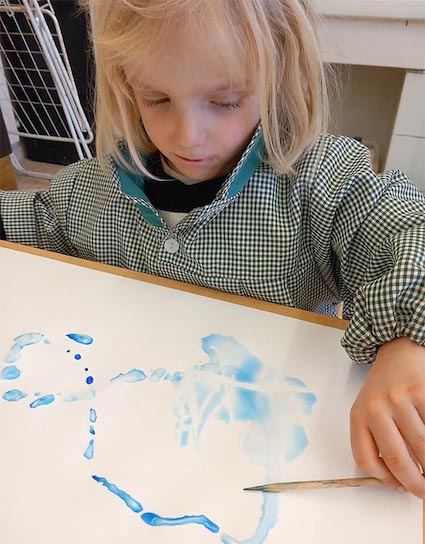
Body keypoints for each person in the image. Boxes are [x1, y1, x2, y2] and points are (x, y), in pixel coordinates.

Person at [0, 0, 424, 498]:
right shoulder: (93, 187)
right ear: (126, 85)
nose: (188, 136)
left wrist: (407, 344)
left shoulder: (319, 180)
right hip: (123, 441)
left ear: (277, 78)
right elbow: (32, 223)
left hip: (262, 444)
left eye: (224, 101)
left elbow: (408, 231)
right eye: (157, 99)